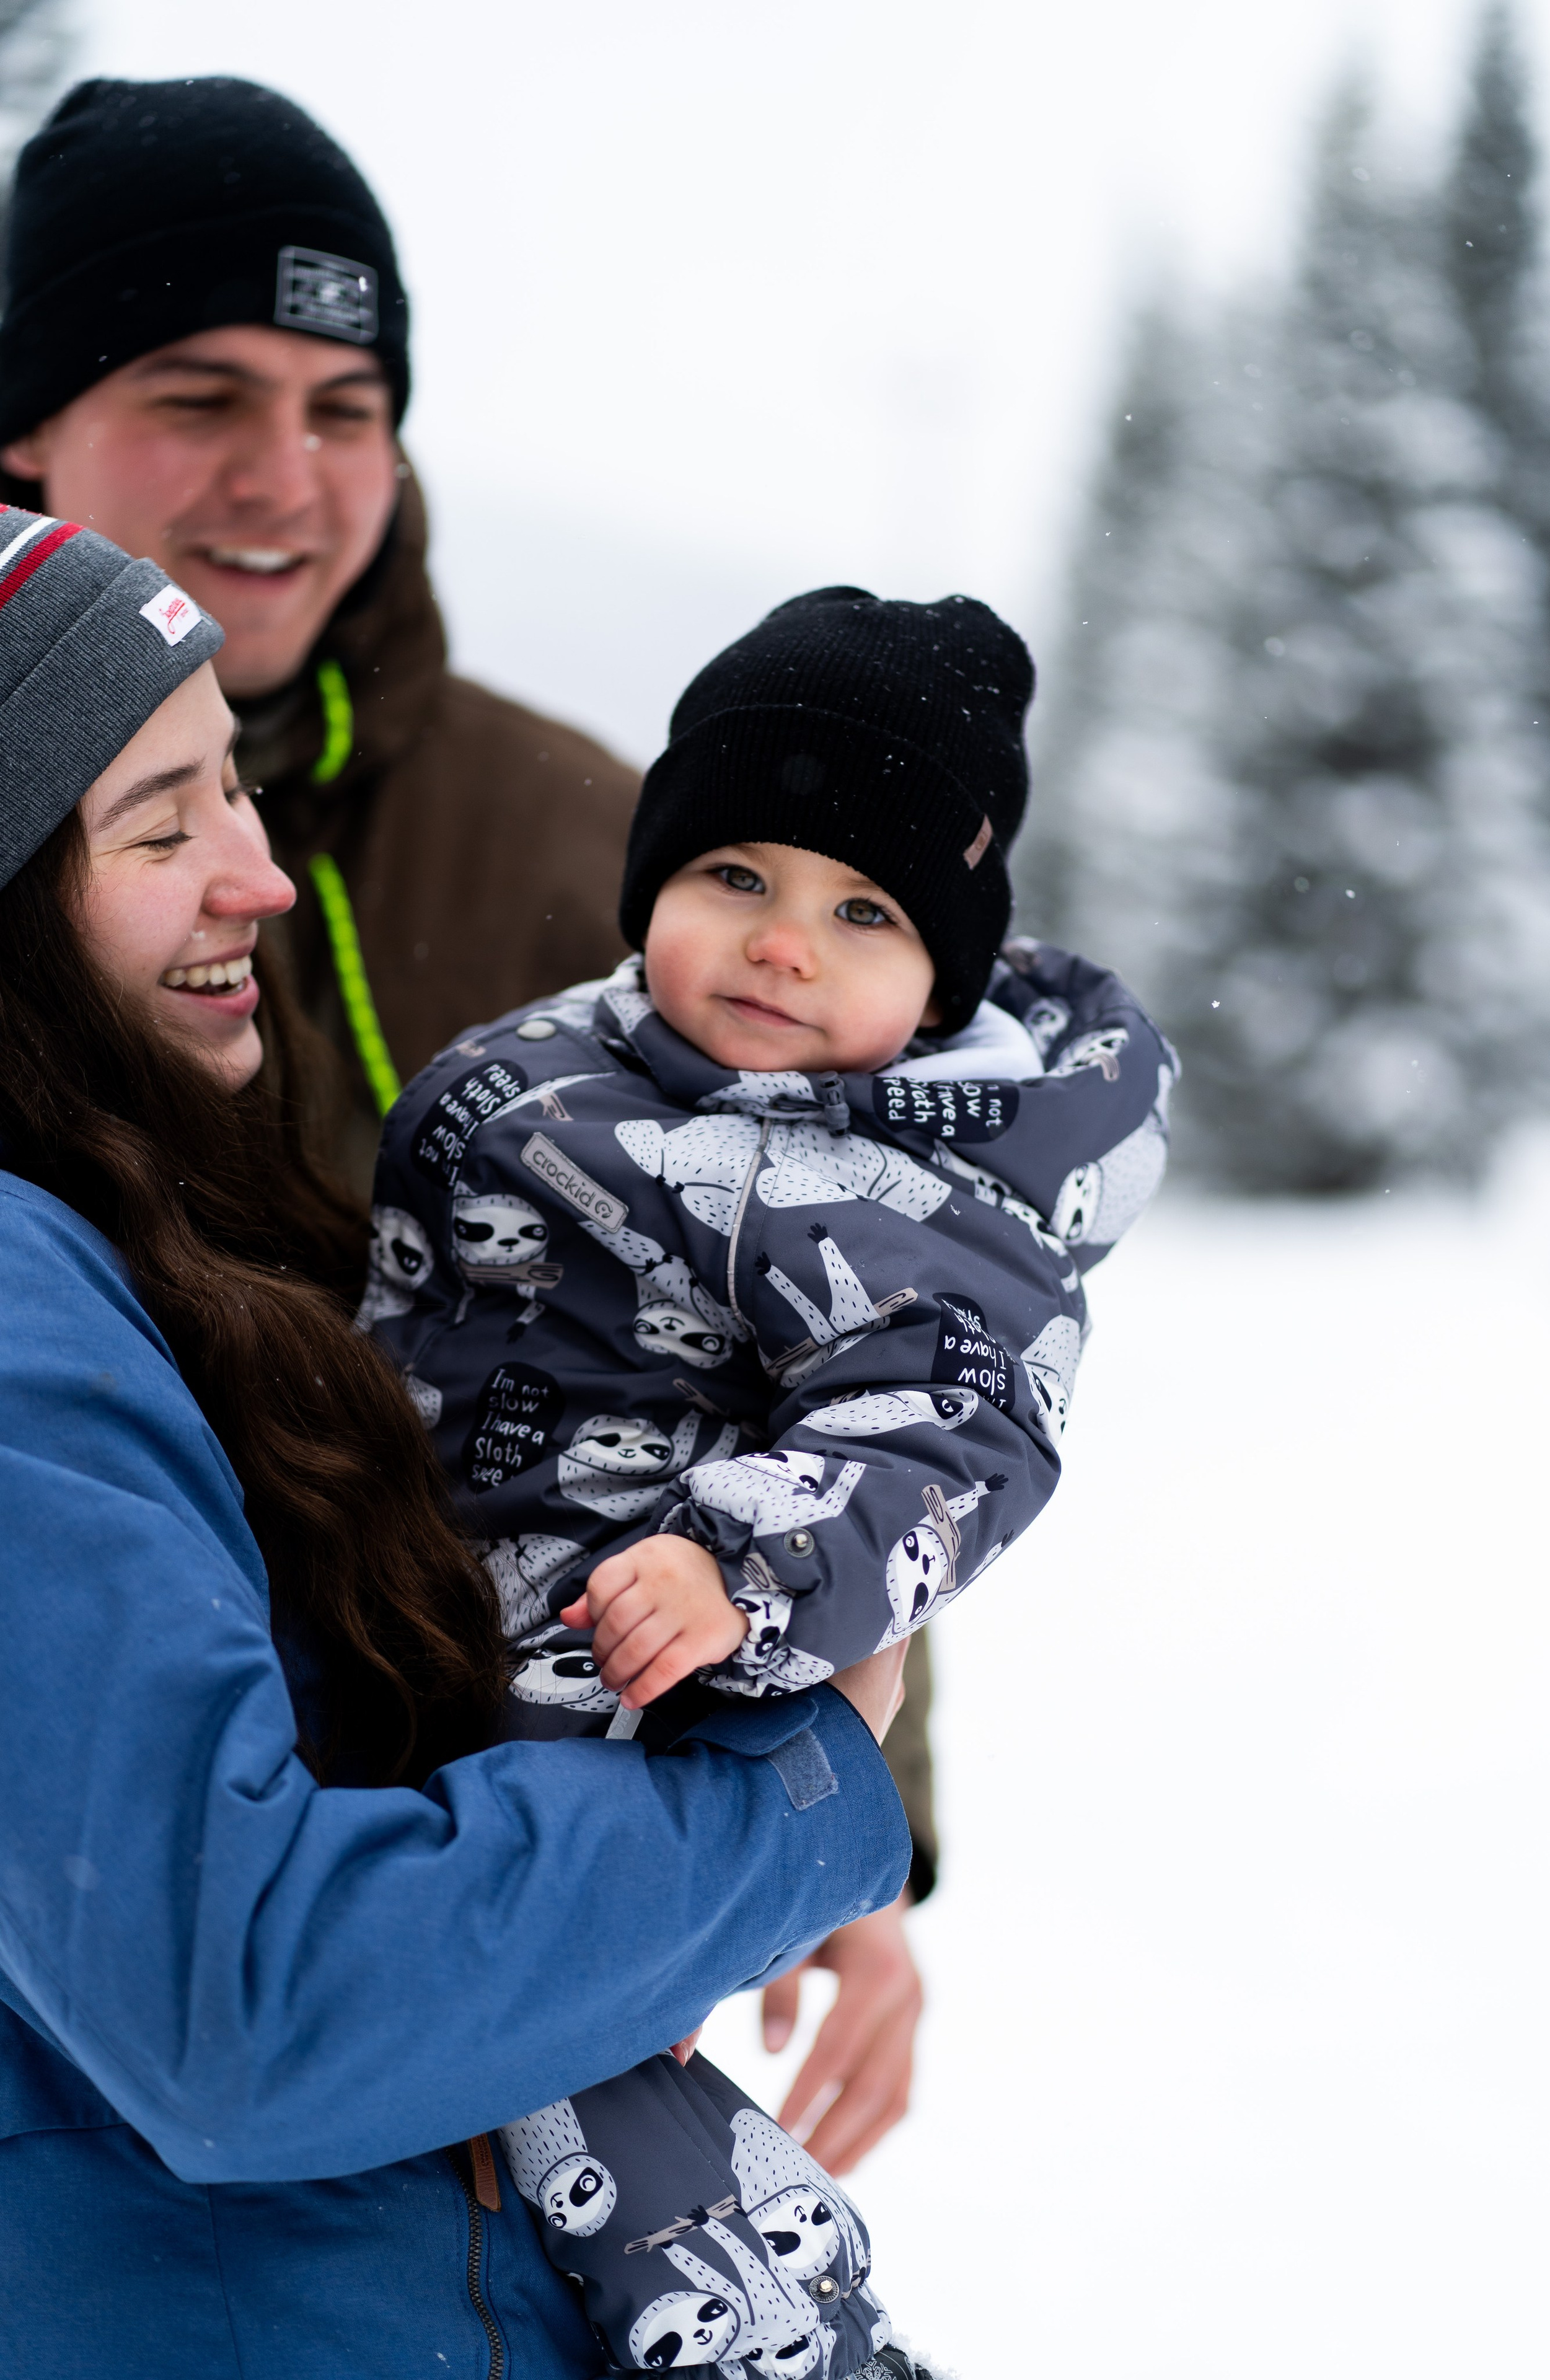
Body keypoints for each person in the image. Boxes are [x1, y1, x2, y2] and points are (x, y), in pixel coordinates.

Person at [0, 70, 940, 2156]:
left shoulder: (589, 847)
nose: (286, 476)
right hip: (205, 1920)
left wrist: (845, 1812)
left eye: (348, 409)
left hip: (522, 1823)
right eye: (200, 394)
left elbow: (823, 1321)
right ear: (28, 431)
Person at [0, 506, 918, 2380]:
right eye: (158, 829)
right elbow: (243, 2008)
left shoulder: (139, 1233)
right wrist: (788, 1795)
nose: (251, 874)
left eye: (234, 793)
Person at [369, 585, 1176, 2370]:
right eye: (734, 872)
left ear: (943, 975)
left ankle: (776, 2337)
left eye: (863, 911)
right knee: (481, 2054)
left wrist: (746, 1570)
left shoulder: (917, 1198)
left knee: (581, 2078)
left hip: (641, 1665)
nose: (782, 944)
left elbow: (951, 1431)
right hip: (422, 1612)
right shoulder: (563, 1067)